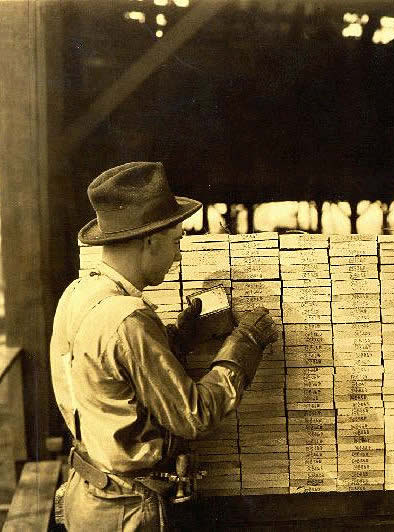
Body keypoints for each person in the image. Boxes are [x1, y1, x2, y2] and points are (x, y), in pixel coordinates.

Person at [50, 162, 279, 531]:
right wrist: (244, 344)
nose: (178, 256)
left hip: (90, 496)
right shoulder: (130, 320)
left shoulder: (79, 295)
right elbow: (193, 415)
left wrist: (178, 337)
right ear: (150, 241)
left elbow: (114, 374)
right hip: (127, 510)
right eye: (175, 242)